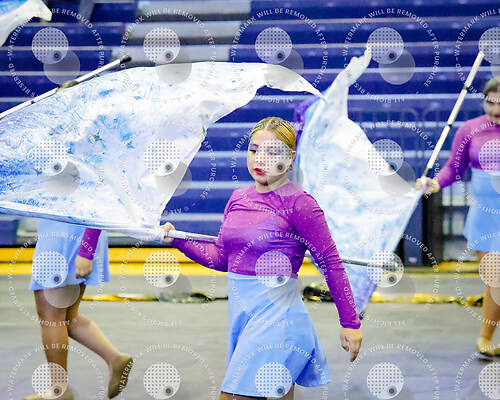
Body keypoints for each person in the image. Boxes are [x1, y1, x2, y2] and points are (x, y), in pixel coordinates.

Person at [162, 117, 363, 400]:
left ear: (290, 158)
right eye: (254, 150)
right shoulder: (238, 198)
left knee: (233, 396)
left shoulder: (300, 204)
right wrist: (178, 240)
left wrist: (350, 322)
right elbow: (222, 258)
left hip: (279, 320)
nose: (260, 159)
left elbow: (331, 263)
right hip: (244, 318)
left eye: (271, 152)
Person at [417, 77, 500, 358]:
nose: (495, 109)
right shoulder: (470, 129)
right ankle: (485, 338)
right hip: (486, 216)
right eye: (490, 102)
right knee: (495, 279)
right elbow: (453, 168)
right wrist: (434, 183)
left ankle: (486, 337)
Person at [24, 220, 132, 400]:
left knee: (51, 318)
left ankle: (59, 390)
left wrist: (86, 251)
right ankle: (115, 359)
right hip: (74, 235)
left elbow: (96, 207)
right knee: (68, 317)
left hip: (66, 238)